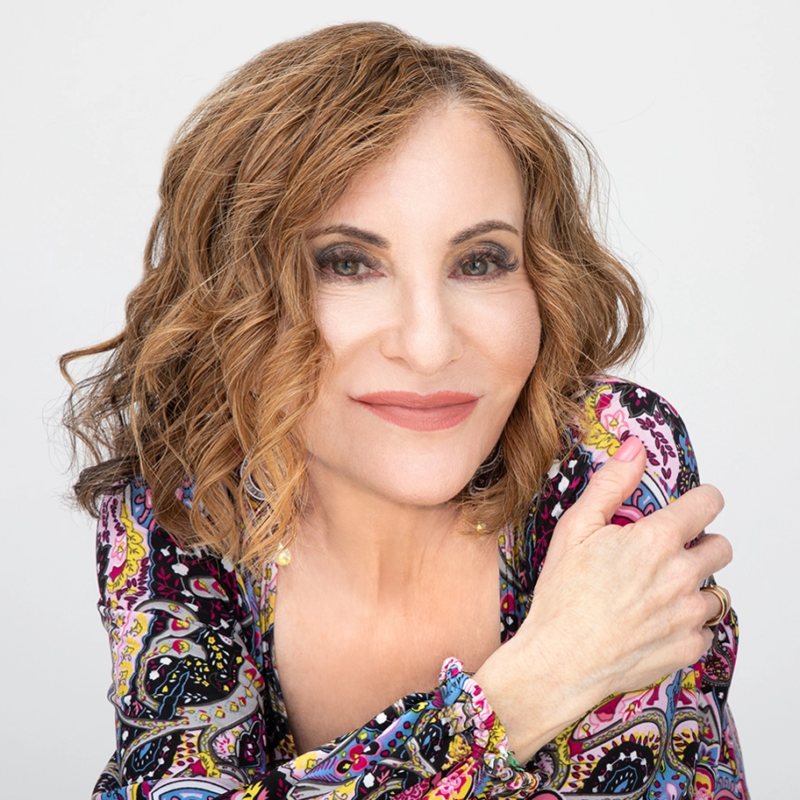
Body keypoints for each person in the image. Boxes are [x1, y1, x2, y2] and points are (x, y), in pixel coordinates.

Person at [61, 21, 747, 800]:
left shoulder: (609, 459)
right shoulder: (180, 507)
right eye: (348, 264)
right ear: (235, 300)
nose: (427, 347)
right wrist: (530, 689)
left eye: (479, 261)